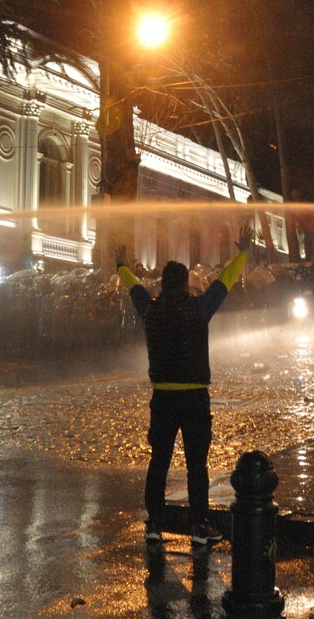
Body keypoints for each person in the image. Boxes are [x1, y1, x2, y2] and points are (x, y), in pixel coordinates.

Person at [116, 226, 251, 550]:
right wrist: (243, 253)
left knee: (158, 461)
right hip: (193, 397)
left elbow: (134, 288)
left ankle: (155, 523)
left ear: (163, 284)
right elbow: (225, 283)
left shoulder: (150, 310)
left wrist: (121, 267)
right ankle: (199, 526)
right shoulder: (198, 309)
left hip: (162, 397)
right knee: (196, 465)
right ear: (186, 283)